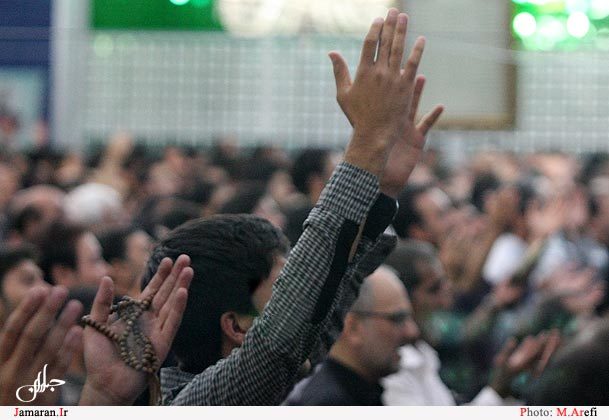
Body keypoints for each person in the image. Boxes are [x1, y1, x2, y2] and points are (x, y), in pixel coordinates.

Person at [142, 8, 441, 405]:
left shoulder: (272, 380)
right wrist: (367, 141)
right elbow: (289, 325)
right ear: (237, 327)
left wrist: (382, 185)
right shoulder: (196, 404)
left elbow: (333, 289)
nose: (302, 292)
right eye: (284, 287)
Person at [285, 266, 418, 405]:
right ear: (353, 327)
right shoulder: (330, 404)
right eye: (398, 319)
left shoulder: (360, 393)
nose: (412, 331)